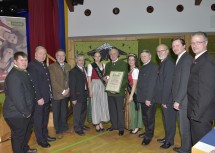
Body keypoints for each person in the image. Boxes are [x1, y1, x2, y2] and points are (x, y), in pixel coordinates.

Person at [3, 52, 37, 153]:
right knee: (18, 136)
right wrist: (26, 113)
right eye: (21, 60)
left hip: (24, 112)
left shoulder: (22, 72)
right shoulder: (14, 76)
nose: (24, 62)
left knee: (26, 133)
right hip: (16, 113)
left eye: (26, 60)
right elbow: (18, 99)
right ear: (15, 61)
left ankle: (24, 149)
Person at [187, 32, 215, 146]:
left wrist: (196, 115)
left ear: (206, 43)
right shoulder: (198, 59)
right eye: (193, 42)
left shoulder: (207, 61)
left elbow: (207, 92)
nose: (195, 45)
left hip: (201, 115)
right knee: (198, 145)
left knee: (202, 146)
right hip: (197, 112)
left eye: (198, 42)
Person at [27, 46, 56, 148]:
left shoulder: (43, 65)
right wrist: (39, 97)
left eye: (44, 54)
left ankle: (45, 135)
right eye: (41, 53)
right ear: (35, 54)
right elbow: (34, 83)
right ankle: (40, 140)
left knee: (45, 119)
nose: (43, 55)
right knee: (38, 120)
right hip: (39, 99)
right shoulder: (32, 65)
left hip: (46, 98)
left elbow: (47, 83)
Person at [172, 38, 192, 153]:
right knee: (184, 127)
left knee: (185, 128)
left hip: (184, 101)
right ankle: (186, 147)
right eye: (173, 46)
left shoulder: (186, 59)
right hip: (181, 100)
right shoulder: (180, 59)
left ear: (184, 46)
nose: (175, 48)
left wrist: (178, 100)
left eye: (177, 45)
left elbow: (185, 83)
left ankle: (186, 149)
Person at [154, 44, 176, 149]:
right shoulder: (163, 62)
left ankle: (169, 141)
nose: (159, 53)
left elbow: (168, 84)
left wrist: (164, 100)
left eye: (162, 51)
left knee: (170, 121)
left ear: (167, 51)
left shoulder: (169, 63)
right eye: (158, 51)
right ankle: (167, 137)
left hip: (168, 99)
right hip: (165, 98)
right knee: (166, 120)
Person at [104, 47, 128, 136]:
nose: (112, 55)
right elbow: (105, 75)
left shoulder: (124, 64)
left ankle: (121, 128)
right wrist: (105, 79)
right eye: (110, 54)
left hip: (119, 92)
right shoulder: (108, 65)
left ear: (118, 54)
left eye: (114, 54)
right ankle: (114, 125)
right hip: (110, 91)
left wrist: (118, 88)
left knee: (119, 110)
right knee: (112, 109)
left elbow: (125, 79)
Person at [48, 49, 72, 139]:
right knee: (57, 113)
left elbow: (70, 80)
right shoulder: (51, 67)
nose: (61, 57)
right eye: (59, 55)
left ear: (65, 57)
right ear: (56, 56)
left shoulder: (68, 66)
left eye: (63, 56)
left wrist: (68, 89)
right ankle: (58, 130)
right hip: (57, 94)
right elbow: (53, 82)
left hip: (67, 93)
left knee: (64, 112)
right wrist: (62, 91)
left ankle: (64, 128)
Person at [136, 50, 158, 145]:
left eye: (145, 56)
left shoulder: (153, 67)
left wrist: (149, 98)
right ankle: (147, 132)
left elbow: (152, 84)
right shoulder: (143, 67)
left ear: (150, 56)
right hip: (142, 97)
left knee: (149, 118)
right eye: (142, 56)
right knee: (145, 117)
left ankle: (149, 136)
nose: (143, 58)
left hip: (148, 98)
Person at [87, 51, 109, 132]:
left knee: (102, 103)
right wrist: (90, 90)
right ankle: (97, 123)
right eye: (96, 56)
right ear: (93, 57)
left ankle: (101, 122)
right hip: (94, 85)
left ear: (101, 57)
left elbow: (105, 77)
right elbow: (89, 79)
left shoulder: (104, 65)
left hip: (102, 86)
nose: (97, 58)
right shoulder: (90, 66)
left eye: (99, 56)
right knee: (95, 104)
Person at [69, 53, 90, 136]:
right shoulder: (73, 71)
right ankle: (77, 128)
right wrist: (73, 98)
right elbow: (72, 85)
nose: (81, 61)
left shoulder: (84, 69)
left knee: (83, 111)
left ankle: (81, 125)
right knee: (77, 113)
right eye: (80, 60)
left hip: (84, 94)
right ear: (76, 60)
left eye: (83, 60)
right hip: (77, 96)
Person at [124, 53, 143, 134]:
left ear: (135, 61)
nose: (131, 61)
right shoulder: (130, 70)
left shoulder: (135, 70)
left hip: (134, 91)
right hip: (130, 90)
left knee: (135, 109)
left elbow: (135, 84)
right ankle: (133, 125)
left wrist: (131, 96)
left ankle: (136, 127)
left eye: (133, 60)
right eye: (129, 60)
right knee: (132, 110)